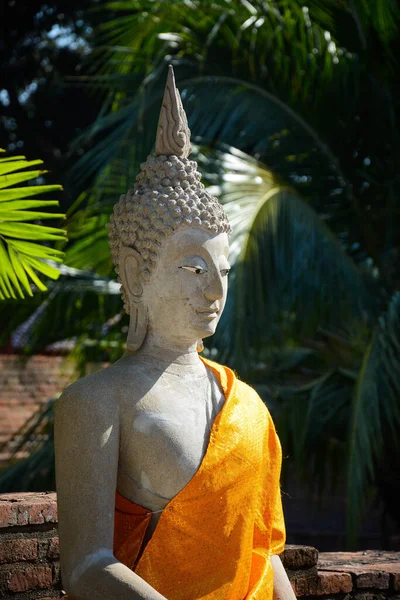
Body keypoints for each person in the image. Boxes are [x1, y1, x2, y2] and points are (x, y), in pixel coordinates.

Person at [55, 66, 296, 600]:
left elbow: (263, 555)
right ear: (139, 272)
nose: (214, 291)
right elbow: (86, 566)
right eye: (192, 269)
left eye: (223, 272)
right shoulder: (95, 402)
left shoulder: (246, 405)